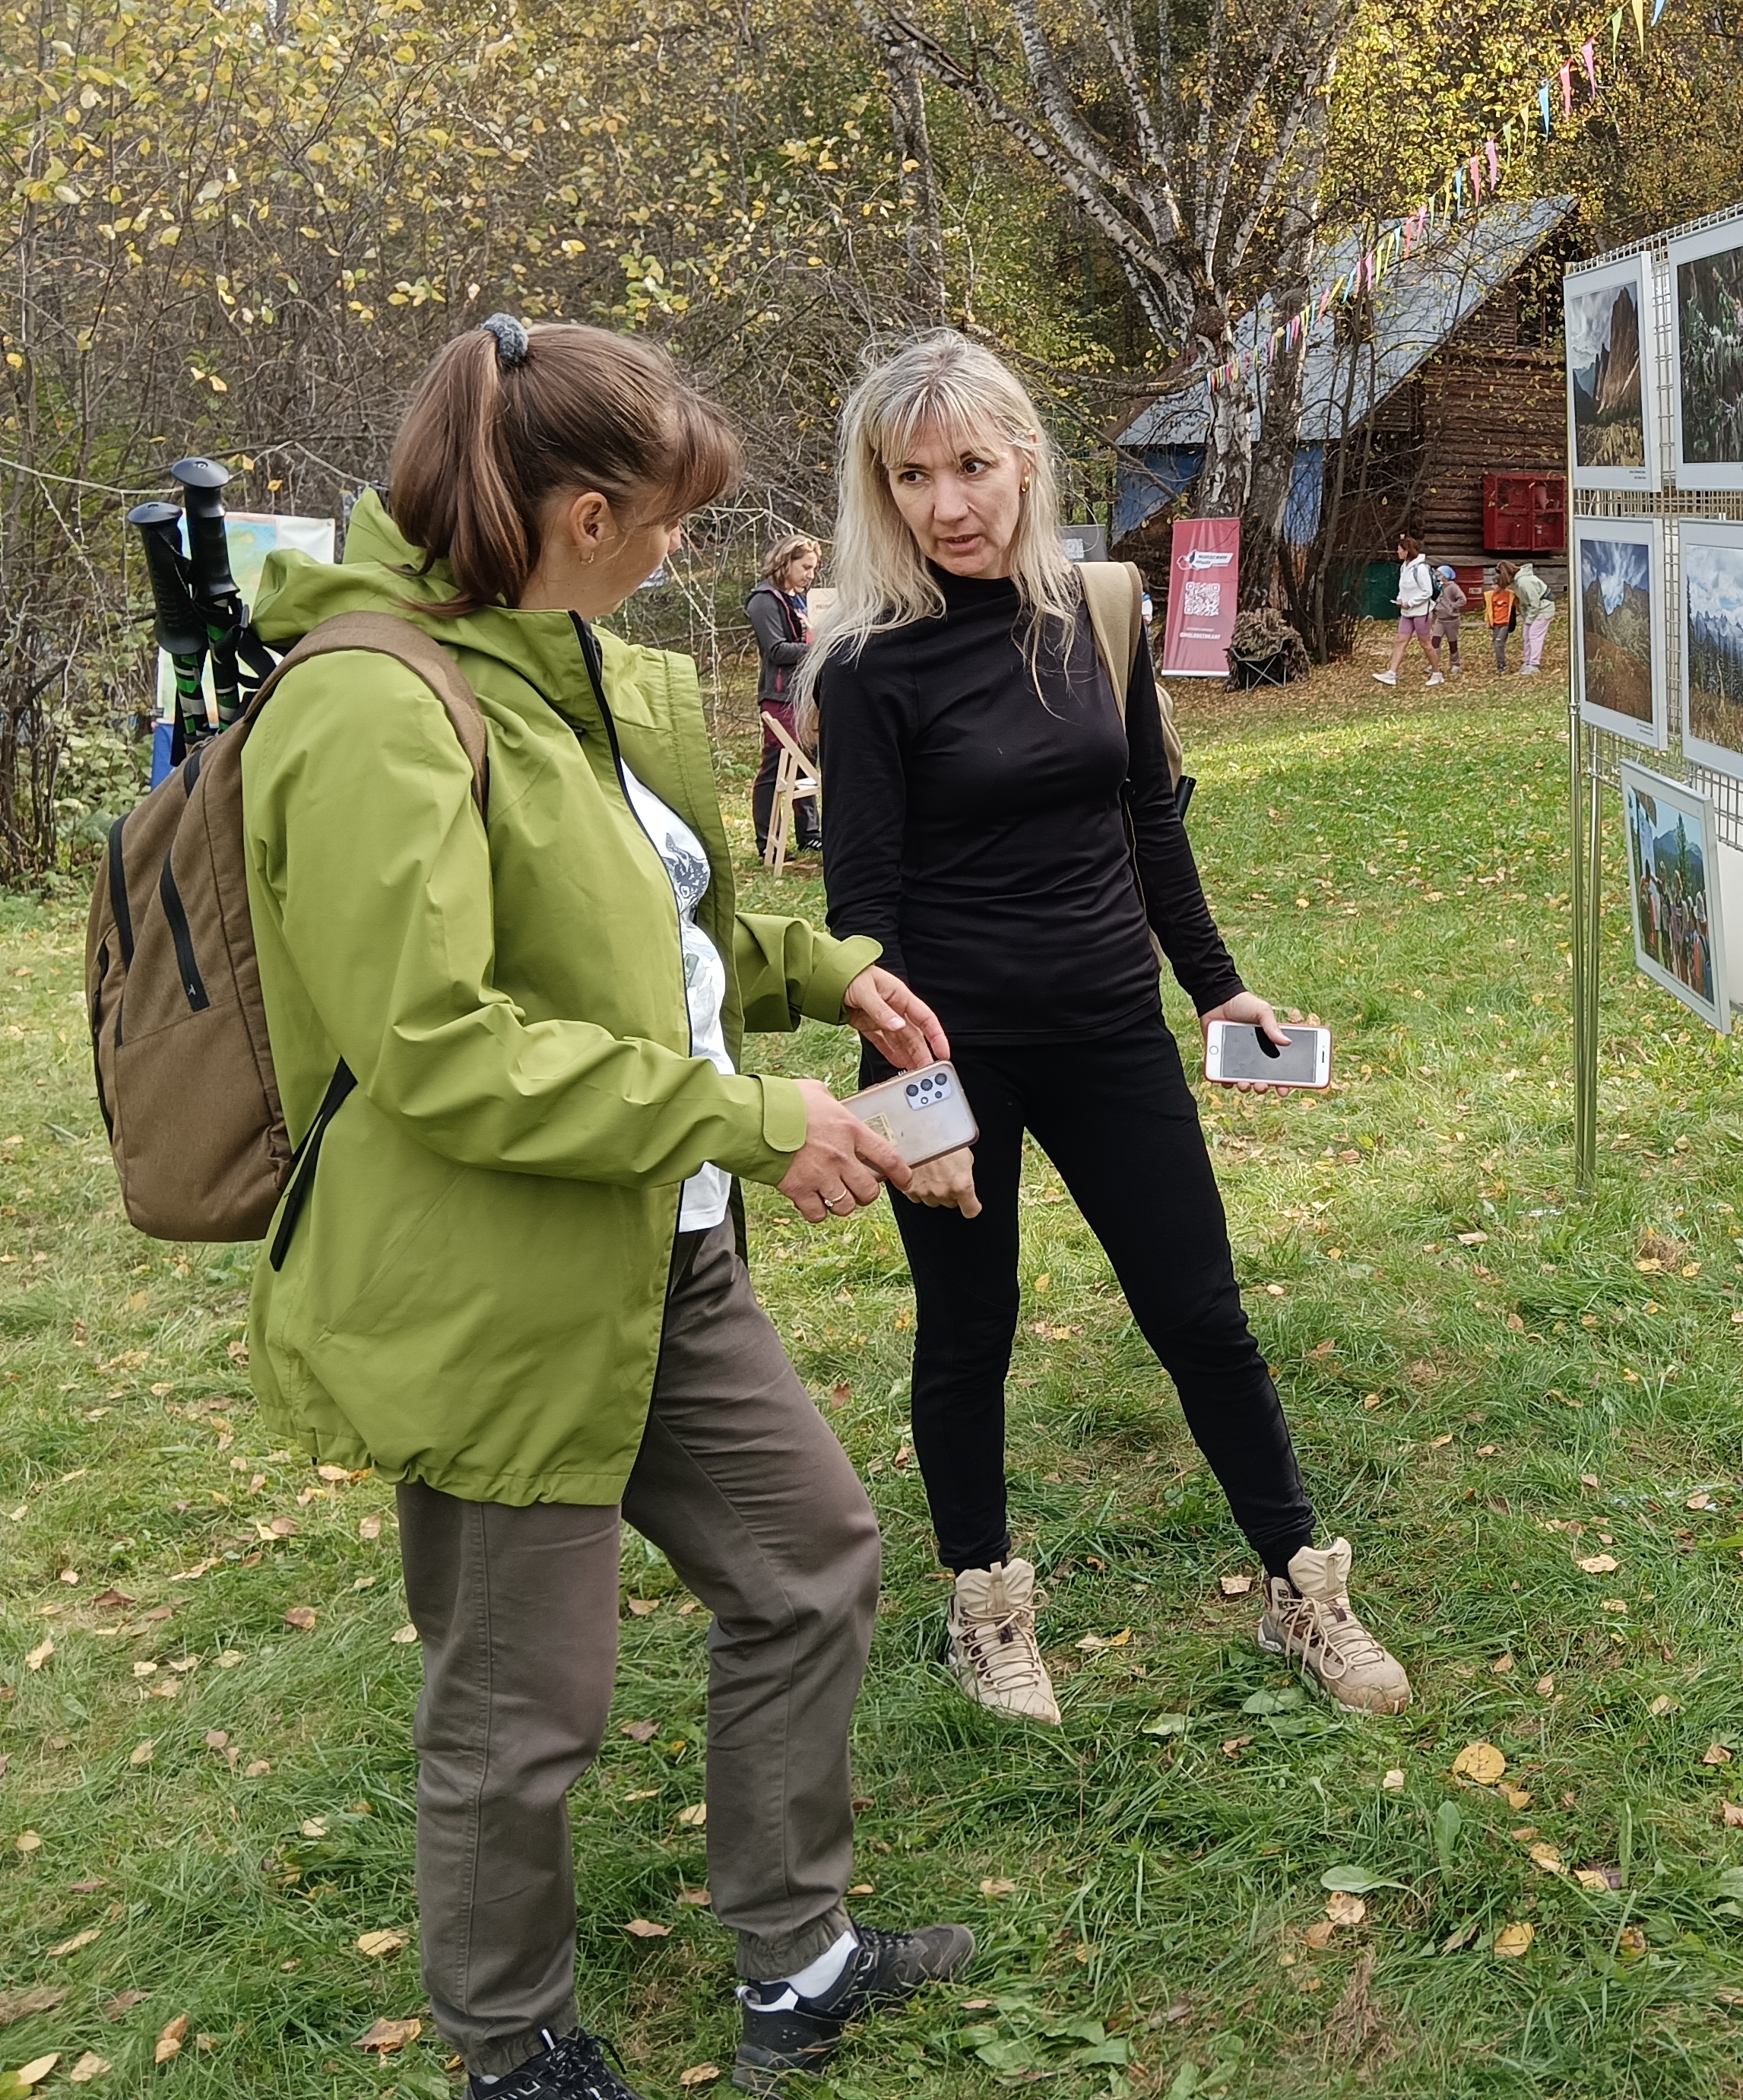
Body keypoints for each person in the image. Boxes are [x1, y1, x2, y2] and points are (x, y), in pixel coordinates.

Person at [239, 316, 973, 2100]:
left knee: (808, 1563)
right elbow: (439, 1043)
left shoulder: (570, 659)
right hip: (497, 1286)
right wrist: (745, 1109)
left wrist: (819, 972)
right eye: (664, 516)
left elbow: (650, 926)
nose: (681, 550)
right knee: (520, 1704)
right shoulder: (370, 702)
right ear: (577, 511)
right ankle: (512, 2047)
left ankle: (793, 1958)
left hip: (670, 1252)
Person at [810, 329, 1413, 1724]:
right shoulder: (865, 671)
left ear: (1025, 459)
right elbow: (865, 919)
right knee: (970, 1332)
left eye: (972, 464)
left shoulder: (1094, 616)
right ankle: (985, 1608)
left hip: (1109, 1031)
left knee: (1200, 1310)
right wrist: (918, 1109)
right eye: (912, 476)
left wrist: (1218, 986)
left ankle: (1302, 1589)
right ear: (880, 490)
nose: (948, 503)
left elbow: (1149, 817)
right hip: (950, 1053)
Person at [749, 534, 823, 858]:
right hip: (780, 697)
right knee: (778, 766)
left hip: (807, 695)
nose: (810, 574)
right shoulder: (764, 600)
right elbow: (777, 650)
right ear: (786, 561)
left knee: (807, 763)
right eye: (805, 567)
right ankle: (767, 842)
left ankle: (810, 834)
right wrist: (819, 649)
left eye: (814, 569)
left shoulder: (801, 600)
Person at [1374, 538, 1432, 686]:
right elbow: (1403, 588)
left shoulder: (1421, 568)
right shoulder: (1404, 567)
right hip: (1406, 613)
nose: (1397, 552)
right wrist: (1400, 599)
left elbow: (1428, 591)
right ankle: (1392, 674)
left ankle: (1437, 672)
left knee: (1425, 643)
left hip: (1421, 612)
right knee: (1400, 641)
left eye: (1400, 549)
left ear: (1406, 551)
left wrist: (1411, 603)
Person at [1428, 561, 1466, 686]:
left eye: (1440, 574)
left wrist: (1453, 606)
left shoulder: (1453, 587)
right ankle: (1433, 664)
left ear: (1446, 575)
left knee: (1452, 642)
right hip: (1440, 619)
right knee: (1435, 642)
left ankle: (1455, 664)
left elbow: (1463, 599)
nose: (1438, 576)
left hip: (1452, 620)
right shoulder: (1438, 587)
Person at [1515, 558, 1555, 675]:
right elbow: (1523, 602)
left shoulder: (1524, 582)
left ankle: (1534, 664)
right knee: (1526, 635)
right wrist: (1526, 618)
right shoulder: (1517, 583)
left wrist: (1529, 619)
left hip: (1544, 609)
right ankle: (1527, 662)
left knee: (1534, 636)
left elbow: (1535, 602)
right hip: (1534, 611)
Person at [1485, 566, 1516, 671]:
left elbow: (1518, 605)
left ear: (1501, 585)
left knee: (1499, 643)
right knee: (1497, 644)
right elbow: (1488, 610)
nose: (1492, 587)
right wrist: (1488, 621)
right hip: (1496, 624)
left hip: (1505, 623)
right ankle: (1500, 664)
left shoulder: (1510, 595)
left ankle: (1502, 666)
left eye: (1495, 584)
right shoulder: (1490, 596)